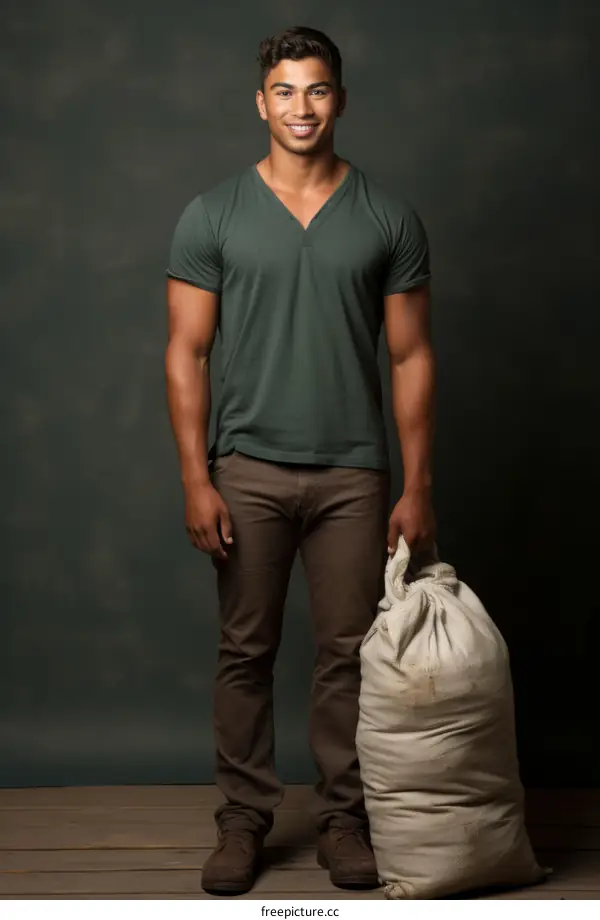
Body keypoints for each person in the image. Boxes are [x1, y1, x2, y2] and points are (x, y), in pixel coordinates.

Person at [165, 25, 437, 897]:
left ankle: (342, 821)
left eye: (316, 90)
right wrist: (195, 476)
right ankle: (241, 823)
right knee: (245, 651)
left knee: (350, 655)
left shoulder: (388, 216)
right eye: (285, 91)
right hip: (245, 467)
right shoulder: (212, 214)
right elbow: (185, 353)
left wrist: (416, 482)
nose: (301, 107)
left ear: (341, 100)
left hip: (356, 474)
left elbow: (411, 357)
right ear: (261, 103)